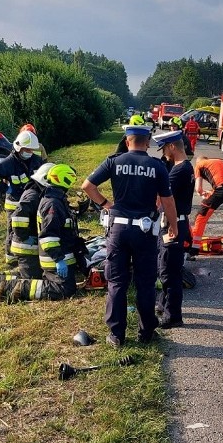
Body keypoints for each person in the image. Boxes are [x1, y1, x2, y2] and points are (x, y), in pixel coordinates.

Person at [81, 123, 178, 348]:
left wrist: (107, 204)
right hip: (144, 232)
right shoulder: (157, 167)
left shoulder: (114, 161)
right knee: (145, 283)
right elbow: (168, 201)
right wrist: (173, 226)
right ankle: (146, 333)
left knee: (116, 282)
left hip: (118, 231)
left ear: (127, 141)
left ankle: (116, 335)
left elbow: (87, 186)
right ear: (147, 143)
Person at [0, 164, 85, 302]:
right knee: (32, 280)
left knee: (34, 277)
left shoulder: (42, 194)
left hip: (37, 245)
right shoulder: (34, 195)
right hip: (27, 246)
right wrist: (24, 238)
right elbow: (19, 218)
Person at [0, 129, 44, 266]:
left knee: (30, 227)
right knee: (13, 231)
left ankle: (29, 254)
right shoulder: (8, 163)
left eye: (31, 150)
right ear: (18, 147)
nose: (29, 152)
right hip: (14, 204)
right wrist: (6, 189)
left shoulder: (36, 160)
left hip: (31, 203)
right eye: (26, 149)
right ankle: (11, 258)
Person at [153, 130, 195, 329]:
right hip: (175, 222)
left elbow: (163, 198)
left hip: (173, 225)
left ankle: (173, 316)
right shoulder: (184, 167)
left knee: (169, 271)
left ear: (171, 146)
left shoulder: (178, 171)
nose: (163, 154)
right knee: (167, 266)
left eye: (164, 149)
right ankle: (163, 303)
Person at [191, 155, 223, 253]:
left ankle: (194, 247)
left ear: (198, 162)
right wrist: (212, 192)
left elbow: (198, 189)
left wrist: (202, 193)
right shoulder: (218, 161)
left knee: (202, 215)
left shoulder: (199, 165)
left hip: (220, 189)